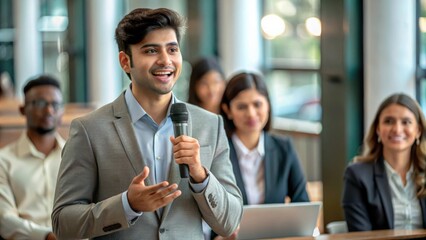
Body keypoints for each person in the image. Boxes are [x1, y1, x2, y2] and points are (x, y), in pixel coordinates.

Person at [51, 8, 243, 239]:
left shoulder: (210, 125)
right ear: (125, 61)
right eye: (151, 50)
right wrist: (127, 205)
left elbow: (230, 223)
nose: (165, 60)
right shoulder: (89, 129)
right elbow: (63, 223)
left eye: (172, 49)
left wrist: (201, 175)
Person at [215, 72, 310, 238]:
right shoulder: (217, 152)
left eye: (257, 104)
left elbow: (302, 201)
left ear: (268, 105)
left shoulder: (284, 148)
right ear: (227, 110)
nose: (251, 114)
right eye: (242, 106)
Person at [342, 93, 426, 231]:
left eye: (406, 122)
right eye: (388, 121)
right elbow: (362, 237)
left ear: (418, 131)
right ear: (378, 129)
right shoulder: (357, 175)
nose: (397, 129)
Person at [0, 74, 64, 240]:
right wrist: (47, 236)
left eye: (55, 104)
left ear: (61, 112)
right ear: (23, 109)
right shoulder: (4, 160)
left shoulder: (77, 156)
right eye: (40, 103)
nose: (49, 110)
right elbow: (5, 220)